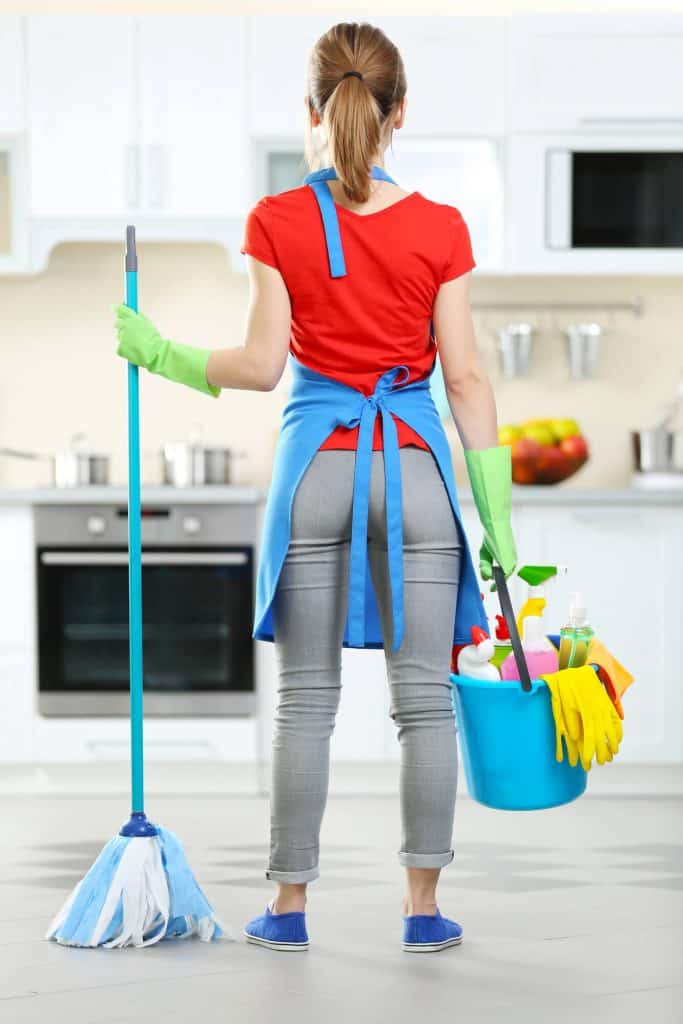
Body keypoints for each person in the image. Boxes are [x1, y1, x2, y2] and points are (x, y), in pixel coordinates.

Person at [113, 20, 517, 954]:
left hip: (315, 474)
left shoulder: (277, 219)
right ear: (399, 113)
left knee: (306, 700)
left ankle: (288, 912)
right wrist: (491, 511)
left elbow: (261, 365)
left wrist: (159, 350)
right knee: (423, 700)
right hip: (414, 470)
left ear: (312, 111)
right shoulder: (441, 228)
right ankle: (421, 913)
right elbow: (464, 381)